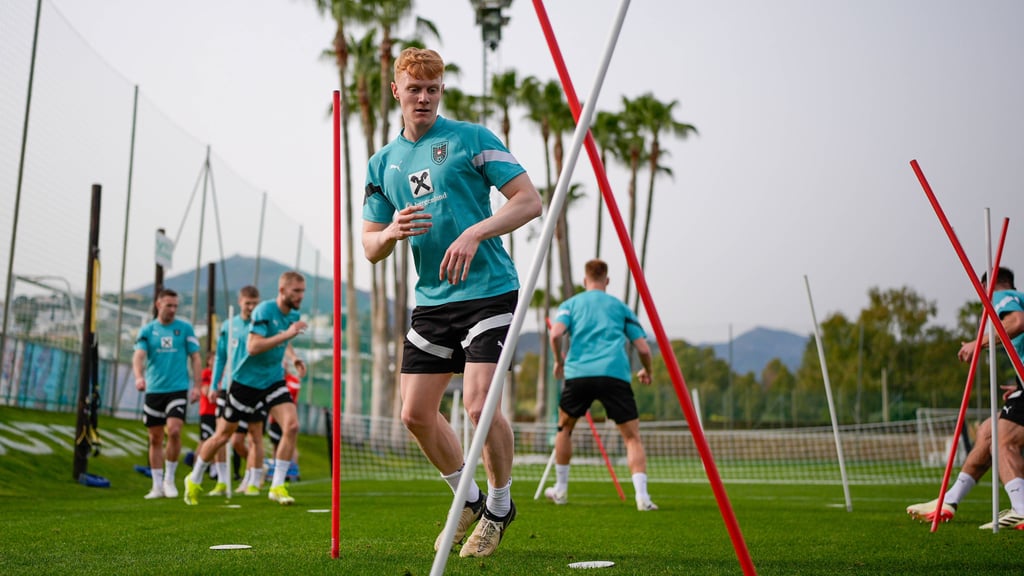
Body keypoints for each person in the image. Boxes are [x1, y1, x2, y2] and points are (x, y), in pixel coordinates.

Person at [362, 47, 542, 557]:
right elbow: (370, 247)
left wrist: (475, 232)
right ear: (396, 91)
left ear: (441, 91)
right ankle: (468, 499)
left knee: (479, 404)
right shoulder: (382, 163)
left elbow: (529, 201)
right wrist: (390, 232)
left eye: (432, 89)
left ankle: (500, 507)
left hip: (489, 290)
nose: (423, 97)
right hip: (432, 301)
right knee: (415, 414)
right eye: (414, 89)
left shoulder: (471, 138)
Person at [907, 267, 1024, 529]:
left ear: (987, 287)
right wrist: (1018, 385)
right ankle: (949, 500)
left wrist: (977, 342)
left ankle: (1022, 508)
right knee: (987, 432)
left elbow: (1017, 322)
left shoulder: (1000, 296)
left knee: (1002, 439)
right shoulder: (1018, 297)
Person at [543, 259, 658, 511]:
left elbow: (555, 334)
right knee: (632, 437)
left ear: (585, 281)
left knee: (564, 429)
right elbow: (643, 349)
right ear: (606, 281)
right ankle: (642, 498)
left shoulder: (571, 305)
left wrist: (559, 362)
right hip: (614, 374)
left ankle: (560, 489)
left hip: (579, 375)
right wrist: (647, 371)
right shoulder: (621, 308)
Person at [185, 272, 308, 506]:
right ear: (282, 291)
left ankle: (277, 486)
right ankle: (195, 476)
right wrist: (288, 333)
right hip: (245, 382)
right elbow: (253, 347)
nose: (300, 296)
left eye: (302, 291)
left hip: (272, 380)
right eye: (296, 291)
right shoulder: (263, 311)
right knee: (223, 436)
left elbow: (283, 339)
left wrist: (294, 358)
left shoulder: (293, 314)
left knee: (291, 426)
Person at [133, 289, 202, 499]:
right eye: (168, 305)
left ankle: (169, 479)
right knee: (155, 438)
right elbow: (139, 355)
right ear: (158, 305)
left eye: (175, 306)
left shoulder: (185, 328)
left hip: (178, 388)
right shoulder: (147, 330)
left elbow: (195, 357)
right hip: (154, 390)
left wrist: (197, 386)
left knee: (174, 430)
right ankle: (156, 486)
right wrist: (139, 376)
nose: (172, 310)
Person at [208, 285, 266, 496]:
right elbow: (220, 357)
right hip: (228, 386)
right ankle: (222, 481)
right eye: (248, 303)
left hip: (254, 386)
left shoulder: (262, 326)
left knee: (254, 435)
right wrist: (214, 385)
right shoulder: (228, 326)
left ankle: (253, 479)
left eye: (255, 303)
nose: (251, 307)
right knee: (222, 434)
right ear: (240, 302)